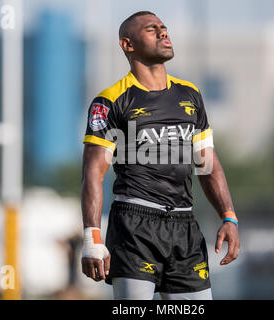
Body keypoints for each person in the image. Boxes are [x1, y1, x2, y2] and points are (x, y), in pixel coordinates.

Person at [80, 11, 240, 300]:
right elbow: (93, 172)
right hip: (134, 226)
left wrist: (229, 216)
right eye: (152, 29)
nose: (163, 33)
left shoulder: (190, 95)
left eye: (164, 28)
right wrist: (92, 237)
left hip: (184, 227)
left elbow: (207, 163)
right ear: (127, 44)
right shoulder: (111, 101)